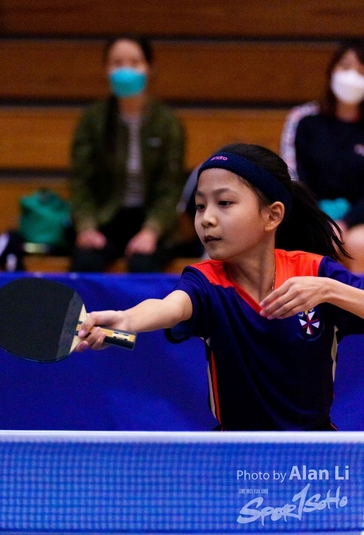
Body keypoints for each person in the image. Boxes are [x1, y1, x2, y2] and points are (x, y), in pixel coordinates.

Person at [73, 143, 364, 431]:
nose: (206, 219)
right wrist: (127, 320)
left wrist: (329, 290)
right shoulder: (206, 282)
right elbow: (170, 306)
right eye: (200, 206)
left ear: (273, 215)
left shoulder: (315, 272)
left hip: (313, 456)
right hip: (234, 456)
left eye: (224, 203)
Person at [69, 35, 186, 273]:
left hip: (149, 219)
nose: (126, 70)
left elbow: (170, 187)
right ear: (106, 70)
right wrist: (87, 228)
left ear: (149, 69)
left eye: (134, 63)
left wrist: (152, 231)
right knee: (86, 262)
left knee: (143, 265)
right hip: (106, 219)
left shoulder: (168, 123)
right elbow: (81, 182)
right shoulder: (93, 120)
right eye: (117, 63)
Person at [280, 39, 364, 273]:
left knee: (359, 244)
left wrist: (346, 222)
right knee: (310, 241)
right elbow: (294, 176)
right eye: (346, 67)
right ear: (332, 72)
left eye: (361, 70)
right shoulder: (304, 120)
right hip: (312, 213)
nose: (352, 76)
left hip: (357, 220)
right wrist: (319, 220)